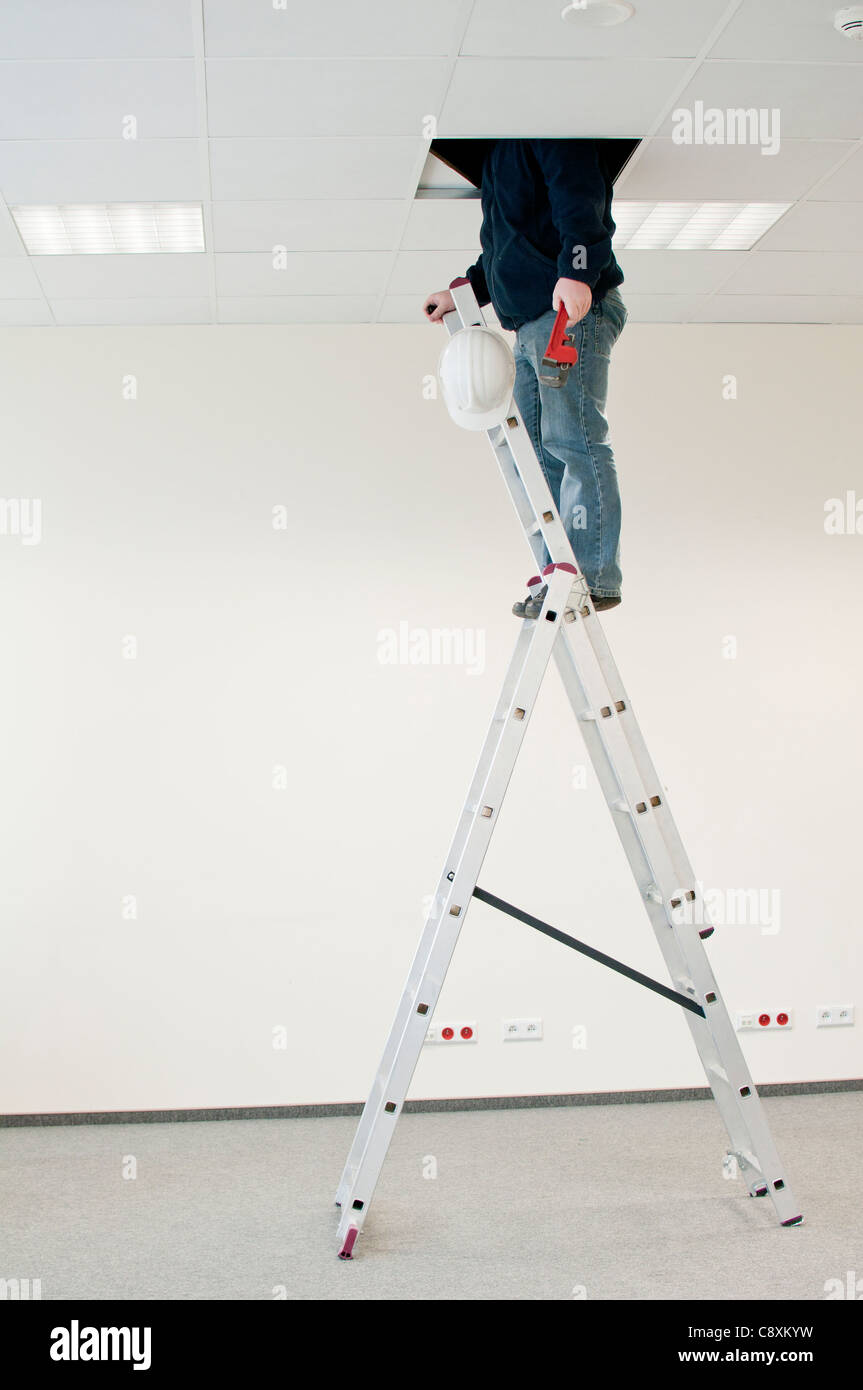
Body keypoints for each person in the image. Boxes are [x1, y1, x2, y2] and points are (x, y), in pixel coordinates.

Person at [424, 138, 627, 613]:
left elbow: (581, 200)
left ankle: (593, 575)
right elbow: (509, 245)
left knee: (571, 437)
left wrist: (577, 271)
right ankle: (559, 570)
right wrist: (468, 290)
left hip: (568, 314)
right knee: (534, 453)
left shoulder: (549, 128)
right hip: (530, 324)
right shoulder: (497, 159)